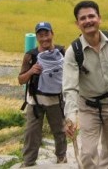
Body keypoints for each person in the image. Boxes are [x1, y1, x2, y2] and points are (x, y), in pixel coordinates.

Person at [63, 0, 108, 169]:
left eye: (91, 16)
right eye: (83, 18)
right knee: (87, 153)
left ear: (99, 18)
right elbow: (70, 87)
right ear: (77, 24)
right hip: (88, 107)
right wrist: (70, 116)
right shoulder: (73, 52)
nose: (88, 21)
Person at [18, 22, 67, 167]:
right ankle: (29, 162)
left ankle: (61, 157)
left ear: (52, 34)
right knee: (32, 133)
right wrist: (31, 71)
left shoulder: (62, 52)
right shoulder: (30, 56)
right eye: (40, 35)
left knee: (59, 131)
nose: (44, 38)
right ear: (37, 37)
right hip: (35, 102)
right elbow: (21, 80)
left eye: (47, 34)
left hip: (56, 100)